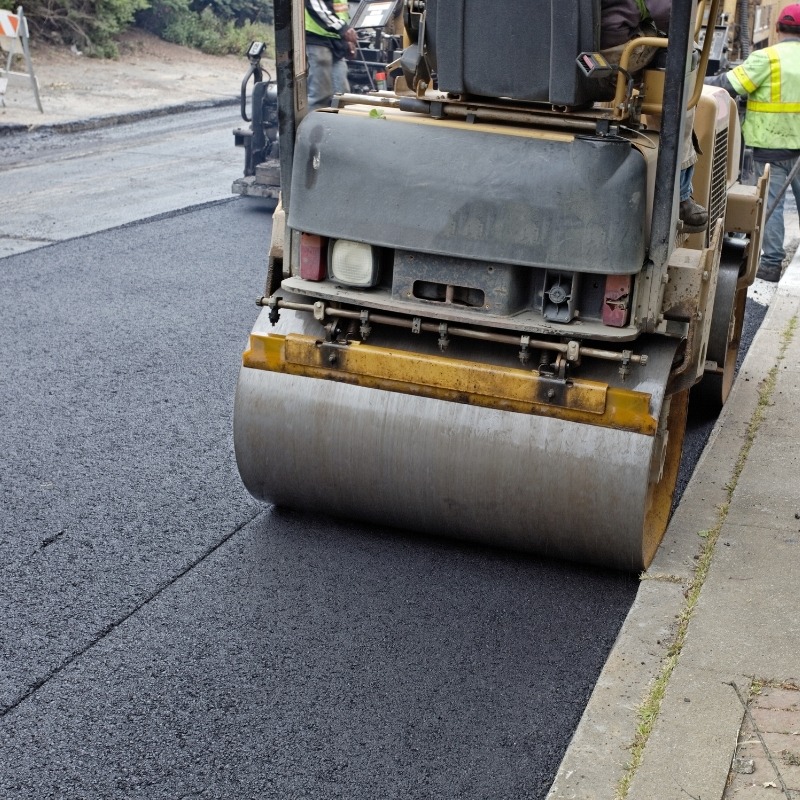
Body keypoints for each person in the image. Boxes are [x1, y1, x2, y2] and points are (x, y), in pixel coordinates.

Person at [707, 4, 800, 282]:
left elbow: (730, 84)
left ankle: (770, 265)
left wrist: (698, 84)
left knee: (771, 207)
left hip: (770, 148)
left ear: (777, 28)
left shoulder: (767, 59)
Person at [600, 0, 709, 232]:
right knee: (684, 51)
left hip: (559, 50)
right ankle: (679, 195)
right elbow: (666, 12)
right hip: (611, 51)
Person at [305, 0, 358, 111]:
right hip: (317, 37)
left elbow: (339, 9)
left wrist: (345, 39)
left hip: (335, 37)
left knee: (342, 95)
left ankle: (340, 127)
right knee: (320, 96)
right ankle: (314, 127)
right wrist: (344, 29)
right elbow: (316, 6)